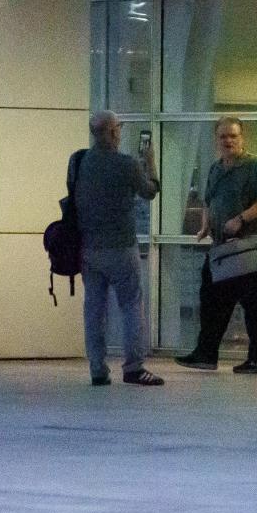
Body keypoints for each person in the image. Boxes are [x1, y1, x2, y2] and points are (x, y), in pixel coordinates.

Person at [175, 117, 257, 374]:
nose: (228, 141)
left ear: (243, 138)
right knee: (210, 300)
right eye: (223, 137)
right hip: (221, 248)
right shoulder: (215, 169)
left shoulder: (255, 167)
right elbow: (209, 201)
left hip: (248, 247)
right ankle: (206, 353)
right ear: (216, 140)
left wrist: (241, 219)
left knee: (254, 306)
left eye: (233, 136)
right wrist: (205, 226)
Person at [69, 110, 163, 386]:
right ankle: (133, 367)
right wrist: (150, 164)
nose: (120, 132)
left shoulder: (79, 161)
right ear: (112, 132)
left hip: (88, 248)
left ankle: (97, 369)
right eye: (118, 128)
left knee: (94, 309)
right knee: (131, 305)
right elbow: (149, 191)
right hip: (121, 247)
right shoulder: (127, 164)